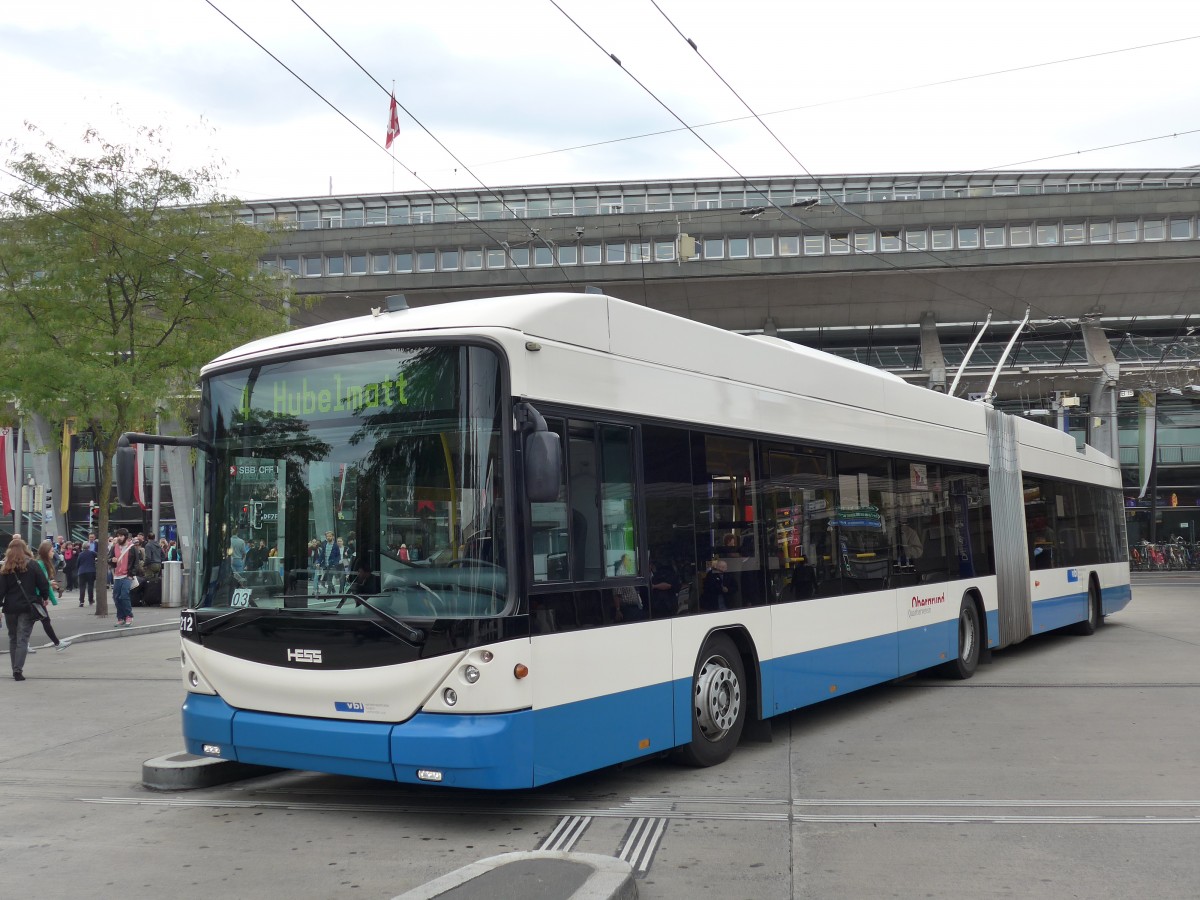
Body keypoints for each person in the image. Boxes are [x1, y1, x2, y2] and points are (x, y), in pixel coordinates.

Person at [2, 536, 55, 680]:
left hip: (10, 608)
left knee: (13, 638)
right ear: (25, 549)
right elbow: (43, 583)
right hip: (27, 606)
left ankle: (15, 667)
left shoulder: (6, 567)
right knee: (23, 638)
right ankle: (17, 671)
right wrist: (45, 597)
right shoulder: (32, 565)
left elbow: (1, 590)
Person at [34, 540, 71, 650]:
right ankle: (57, 643)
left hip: (38, 596)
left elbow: (44, 582)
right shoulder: (40, 564)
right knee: (44, 620)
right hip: (37, 596)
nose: (53, 553)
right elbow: (42, 582)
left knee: (33, 621)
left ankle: (24, 644)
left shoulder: (42, 564)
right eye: (51, 551)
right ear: (46, 552)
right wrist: (49, 597)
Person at [108, 528, 138, 627]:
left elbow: (136, 563)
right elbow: (109, 559)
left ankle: (129, 616)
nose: (119, 538)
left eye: (121, 536)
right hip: (117, 576)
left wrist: (131, 575)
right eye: (118, 536)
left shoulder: (132, 548)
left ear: (126, 537)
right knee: (116, 597)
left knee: (124, 595)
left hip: (127, 575)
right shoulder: (114, 547)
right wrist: (112, 560)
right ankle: (121, 617)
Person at [76, 539, 97, 606]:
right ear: (89, 547)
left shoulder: (80, 554)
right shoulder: (92, 553)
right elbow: (98, 556)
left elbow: (78, 563)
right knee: (90, 586)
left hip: (82, 571)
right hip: (91, 571)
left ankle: (81, 601)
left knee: (82, 587)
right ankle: (90, 600)